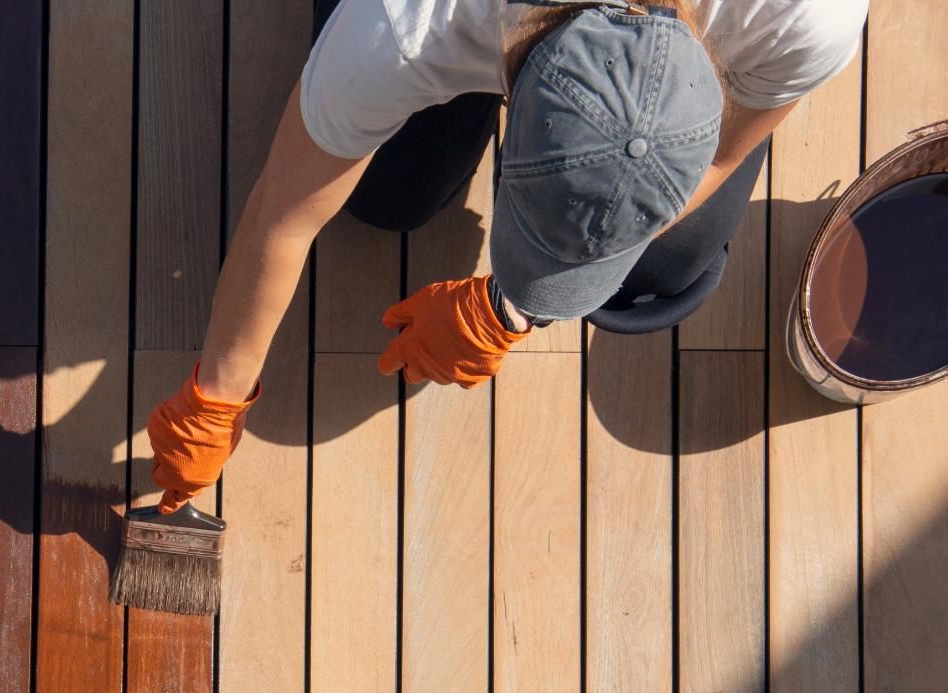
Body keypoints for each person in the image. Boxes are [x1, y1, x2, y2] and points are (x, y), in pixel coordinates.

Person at [144, 0, 868, 516]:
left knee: (658, 275)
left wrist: (510, 306)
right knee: (386, 196)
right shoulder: (407, 24)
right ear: (515, 93)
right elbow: (285, 207)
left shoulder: (810, 14)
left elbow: (727, 150)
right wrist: (215, 398)